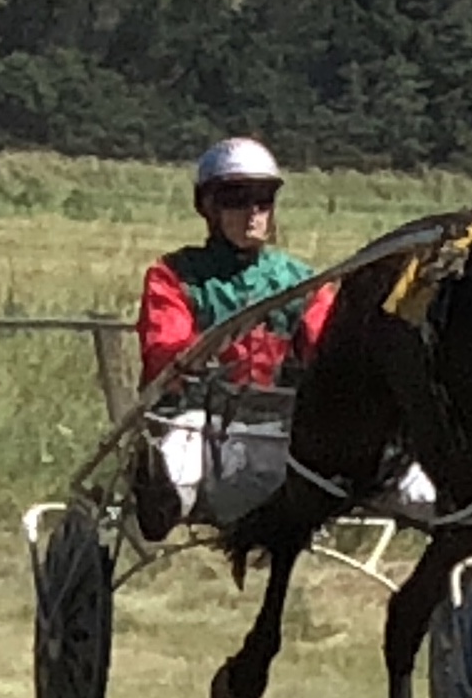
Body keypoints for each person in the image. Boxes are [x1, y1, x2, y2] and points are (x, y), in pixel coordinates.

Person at [132, 139, 338, 536]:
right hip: (193, 417)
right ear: (209, 207)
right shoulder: (173, 275)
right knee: (181, 457)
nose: (253, 213)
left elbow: (327, 351)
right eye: (237, 199)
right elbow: (164, 351)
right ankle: (165, 497)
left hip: (276, 420)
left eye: (263, 200)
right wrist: (195, 362)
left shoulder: (302, 282)